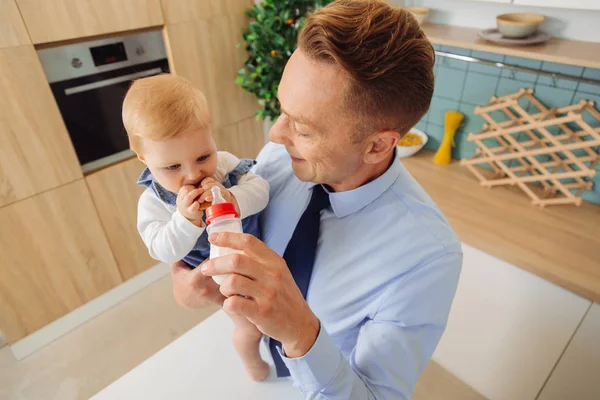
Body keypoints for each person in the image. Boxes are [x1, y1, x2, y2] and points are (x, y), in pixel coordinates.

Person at [171, 0, 462, 398]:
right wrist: (185, 277)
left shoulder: (428, 258)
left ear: (377, 145)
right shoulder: (282, 157)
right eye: (282, 109)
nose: (274, 134)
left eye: (303, 128)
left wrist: (299, 332)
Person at [122, 74, 273, 381]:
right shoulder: (153, 203)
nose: (193, 173)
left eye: (203, 155)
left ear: (211, 136)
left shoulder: (225, 166)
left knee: (271, 307)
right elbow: (163, 250)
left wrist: (233, 198)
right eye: (172, 167)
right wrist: (186, 220)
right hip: (214, 276)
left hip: (254, 252)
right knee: (249, 325)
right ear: (143, 158)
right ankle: (253, 363)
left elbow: (262, 190)